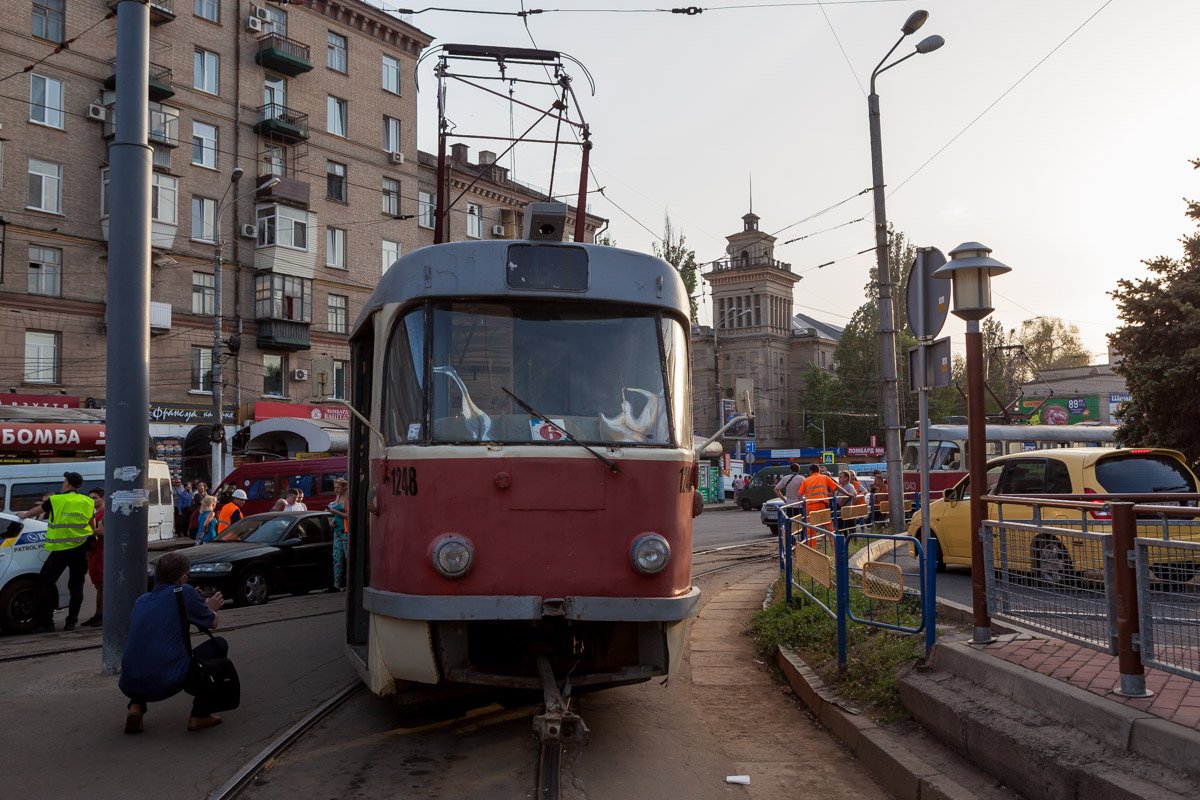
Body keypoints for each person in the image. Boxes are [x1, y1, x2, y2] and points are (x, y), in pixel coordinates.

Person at [119, 551, 227, 734]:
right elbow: (213, 622)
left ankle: (135, 707)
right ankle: (200, 714)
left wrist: (191, 597)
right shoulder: (184, 592)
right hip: (164, 681)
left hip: (130, 683)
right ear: (183, 577)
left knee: (146, 655)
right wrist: (210, 608)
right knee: (219, 645)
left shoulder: (141, 601)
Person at [18, 472, 94, 632]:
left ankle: (47, 623)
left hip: (61, 549)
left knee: (45, 583)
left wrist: (23, 516)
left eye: (64, 480)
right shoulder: (87, 500)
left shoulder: (57, 499)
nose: (63, 482)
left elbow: (35, 511)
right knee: (77, 587)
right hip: (80, 548)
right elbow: (91, 523)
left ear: (67, 484)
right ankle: (71, 622)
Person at [82, 488, 106, 627]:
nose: (92, 500)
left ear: (102, 498)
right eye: (90, 497)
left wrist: (83, 531)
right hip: (93, 552)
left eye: (95, 497)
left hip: (99, 551)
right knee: (98, 585)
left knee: (101, 585)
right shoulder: (95, 513)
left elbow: (101, 530)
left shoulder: (104, 513)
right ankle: (99, 613)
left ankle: (101, 614)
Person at [798, 464, 839, 532]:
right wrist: (847, 493)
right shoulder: (824, 478)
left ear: (810, 471)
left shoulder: (806, 480)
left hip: (809, 507)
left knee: (810, 528)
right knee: (829, 525)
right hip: (821, 505)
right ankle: (834, 541)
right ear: (819, 471)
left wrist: (804, 504)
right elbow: (837, 487)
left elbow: (799, 496)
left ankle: (811, 542)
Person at [327, 478, 349, 591]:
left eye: (338, 487)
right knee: (337, 558)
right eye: (335, 487)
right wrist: (333, 521)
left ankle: (349, 583)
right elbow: (338, 516)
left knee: (347, 557)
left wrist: (335, 512)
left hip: (345, 531)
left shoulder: (347, 498)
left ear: (344, 487)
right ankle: (336, 584)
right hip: (337, 531)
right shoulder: (337, 499)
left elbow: (349, 515)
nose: (336, 490)